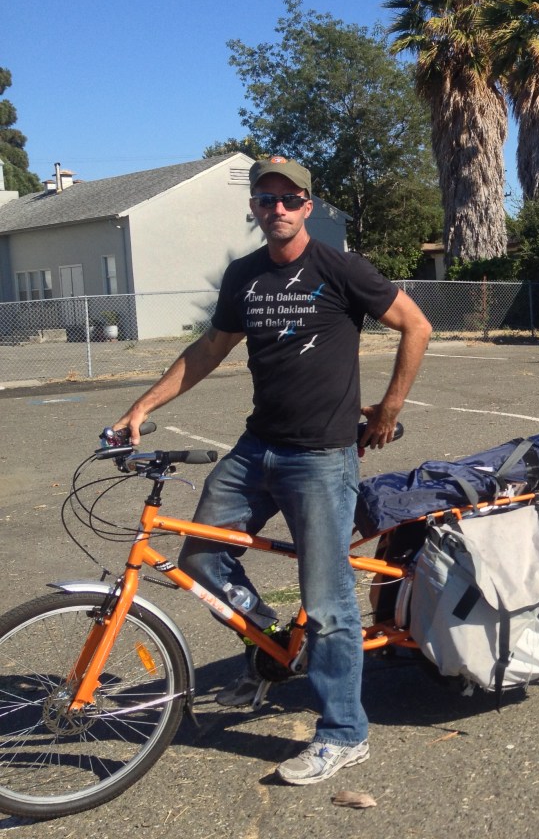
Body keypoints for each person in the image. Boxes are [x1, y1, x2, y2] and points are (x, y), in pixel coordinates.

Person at [113, 156, 431, 786]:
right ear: (255, 208)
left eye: (290, 199)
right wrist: (141, 407)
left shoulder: (339, 268)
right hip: (256, 449)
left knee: (330, 600)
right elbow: (209, 348)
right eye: (266, 199)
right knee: (200, 561)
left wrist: (389, 409)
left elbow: (414, 325)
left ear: (308, 206)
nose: (278, 209)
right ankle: (273, 649)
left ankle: (344, 731)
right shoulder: (245, 276)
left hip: (321, 456)